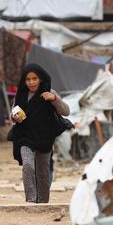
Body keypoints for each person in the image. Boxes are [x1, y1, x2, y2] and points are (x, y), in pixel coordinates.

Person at [9, 64, 70, 203]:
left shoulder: (50, 92)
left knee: (43, 173)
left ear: (41, 79)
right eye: (28, 79)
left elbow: (66, 111)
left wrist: (54, 99)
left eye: (34, 79)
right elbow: (13, 113)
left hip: (44, 137)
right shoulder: (21, 94)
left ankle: (42, 203)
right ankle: (31, 201)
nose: (31, 82)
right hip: (25, 137)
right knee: (28, 166)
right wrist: (14, 117)